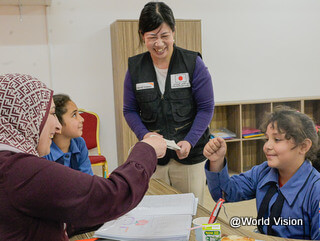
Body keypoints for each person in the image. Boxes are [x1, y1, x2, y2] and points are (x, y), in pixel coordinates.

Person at [0, 73, 167, 241]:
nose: (57, 126)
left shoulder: (10, 165)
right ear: (25, 117)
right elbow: (111, 195)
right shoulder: (18, 170)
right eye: (51, 114)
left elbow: (57, 213)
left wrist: (96, 213)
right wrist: (147, 149)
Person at [123, 1, 214, 205]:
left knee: (190, 211)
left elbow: (206, 108)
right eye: (152, 37)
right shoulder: (135, 68)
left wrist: (190, 140)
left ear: (173, 32)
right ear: (142, 35)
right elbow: (129, 110)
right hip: (154, 157)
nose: (159, 44)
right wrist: (145, 135)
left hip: (189, 156)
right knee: (157, 213)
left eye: (164, 36)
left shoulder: (193, 63)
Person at [204, 106, 320, 240]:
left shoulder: (315, 189)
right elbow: (223, 194)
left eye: (277, 139)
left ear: (304, 146)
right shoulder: (263, 172)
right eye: (267, 139)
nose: (267, 146)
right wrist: (217, 161)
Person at [44, 94, 93, 175]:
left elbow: (88, 179)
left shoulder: (79, 143)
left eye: (78, 113)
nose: (82, 119)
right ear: (57, 125)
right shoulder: (45, 151)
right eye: (74, 115)